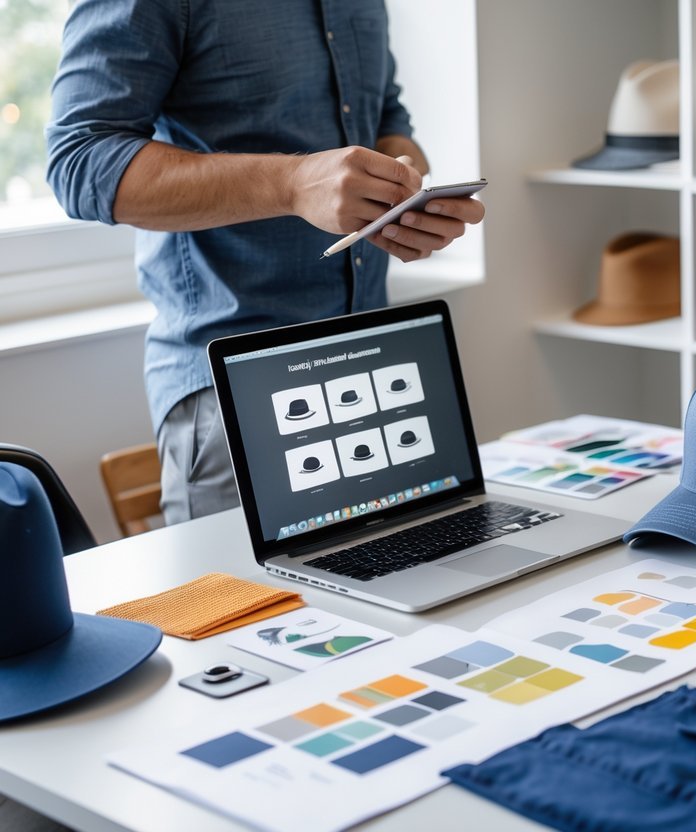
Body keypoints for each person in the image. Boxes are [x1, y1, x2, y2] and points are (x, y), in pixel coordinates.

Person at [45, 0, 485, 525]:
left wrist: (399, 194)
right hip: (234, 390)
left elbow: (387, 114)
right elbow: (80, 161)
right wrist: (293, 183)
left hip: (374, 367)